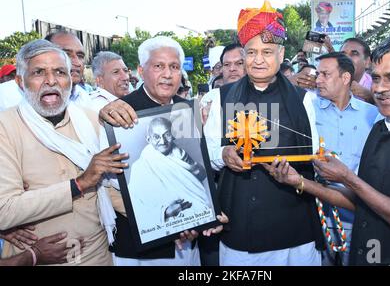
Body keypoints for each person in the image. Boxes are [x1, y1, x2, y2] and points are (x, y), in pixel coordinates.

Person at [266, 32, 390, 265]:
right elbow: (363, 201)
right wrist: (299, 182)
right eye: (376, 78)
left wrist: (347, 177)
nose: (381, 88)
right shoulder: (381, 127)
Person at [203, 0, 324, 266]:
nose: (258, 60)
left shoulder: (304, 100)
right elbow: (208, 152)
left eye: (267, 52)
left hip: (295, 227)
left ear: (281, 56)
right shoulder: (219, 98)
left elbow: (313, 153)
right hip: (241, 229)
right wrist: (223, 153)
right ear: (244, 55)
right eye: (252, 52)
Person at [97, 36, 226, 266]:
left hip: (188, 242)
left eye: (174, 67)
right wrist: (166, 218)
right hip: (142, 247)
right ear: (141, 70)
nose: (168, 74)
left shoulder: (186, 111)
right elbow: (113, 186)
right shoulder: (119, 113)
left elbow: (197, 170)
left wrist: (203, 213)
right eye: (159, 66)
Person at [0, 39, 128, 265]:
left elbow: (112, 187)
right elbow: (5, 210)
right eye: (38, 72)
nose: (51, 81)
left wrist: (164, 221)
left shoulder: (91, 119)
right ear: (20, 82)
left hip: (98, 255)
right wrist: (79, 184)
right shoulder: (6, 127)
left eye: (60, 72)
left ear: (71, 79)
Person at [312, 52, 378, 265]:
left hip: (361, 218)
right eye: (317, 74)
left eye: (325, 74)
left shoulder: (373, 115)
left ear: (346, 78)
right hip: (317, 215)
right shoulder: (308, 112)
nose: (318, 80)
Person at [128, 117, 214, 243]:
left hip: (195, 225)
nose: (162, 141)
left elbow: (202, 177)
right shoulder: (139, 168)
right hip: (163, 233)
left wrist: (192, 166)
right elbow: (136, 205)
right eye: (156, 137)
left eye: (166, 135)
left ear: (173, 135)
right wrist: (166, 212)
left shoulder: (181, 155)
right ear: (148, 139)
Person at [340, 38, 374, 104]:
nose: (346, 58)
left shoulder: (377, 87)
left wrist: (371, 97)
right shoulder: (330, 83)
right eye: (343, 54)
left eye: (354, 54)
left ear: (367, 62)